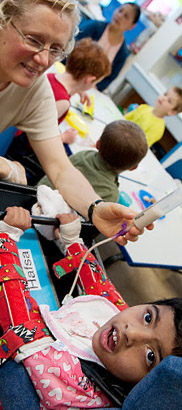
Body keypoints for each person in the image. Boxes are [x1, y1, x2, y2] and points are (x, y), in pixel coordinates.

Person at [0, 205, 182, 410]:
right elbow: (102, 289)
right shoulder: (124, 325)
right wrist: (72, 242)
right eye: (148, 317)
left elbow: (19, 318)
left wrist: (6, 237)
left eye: (151, 356)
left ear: (145, 387)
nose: (133, 333)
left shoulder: (69, 381)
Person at [0, 0, 147, 246]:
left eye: (56, 49)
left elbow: (60, 167)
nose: (44, 59)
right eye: (34, 40)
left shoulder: (35, 91)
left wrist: (95, 207)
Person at [38, 120, 148, 203]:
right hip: (48, 223)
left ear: (98, 144)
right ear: (133, 167)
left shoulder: (83, 155)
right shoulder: (111, 194)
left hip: (32, 195)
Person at [76, 2, 141, 91]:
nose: (120, 16)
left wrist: (93, 87)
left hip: (89, 89)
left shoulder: (122, 53)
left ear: (132, 26)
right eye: (120, 11)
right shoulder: (95, 26)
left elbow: (109, 79)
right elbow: (72, 47)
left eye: (126, 16)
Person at [47, 36, 111, 126]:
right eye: (95, 83)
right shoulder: (63, 103)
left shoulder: (50, 76)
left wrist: (79, 88)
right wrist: (65, 137)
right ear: (89, 80)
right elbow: (36, 134)